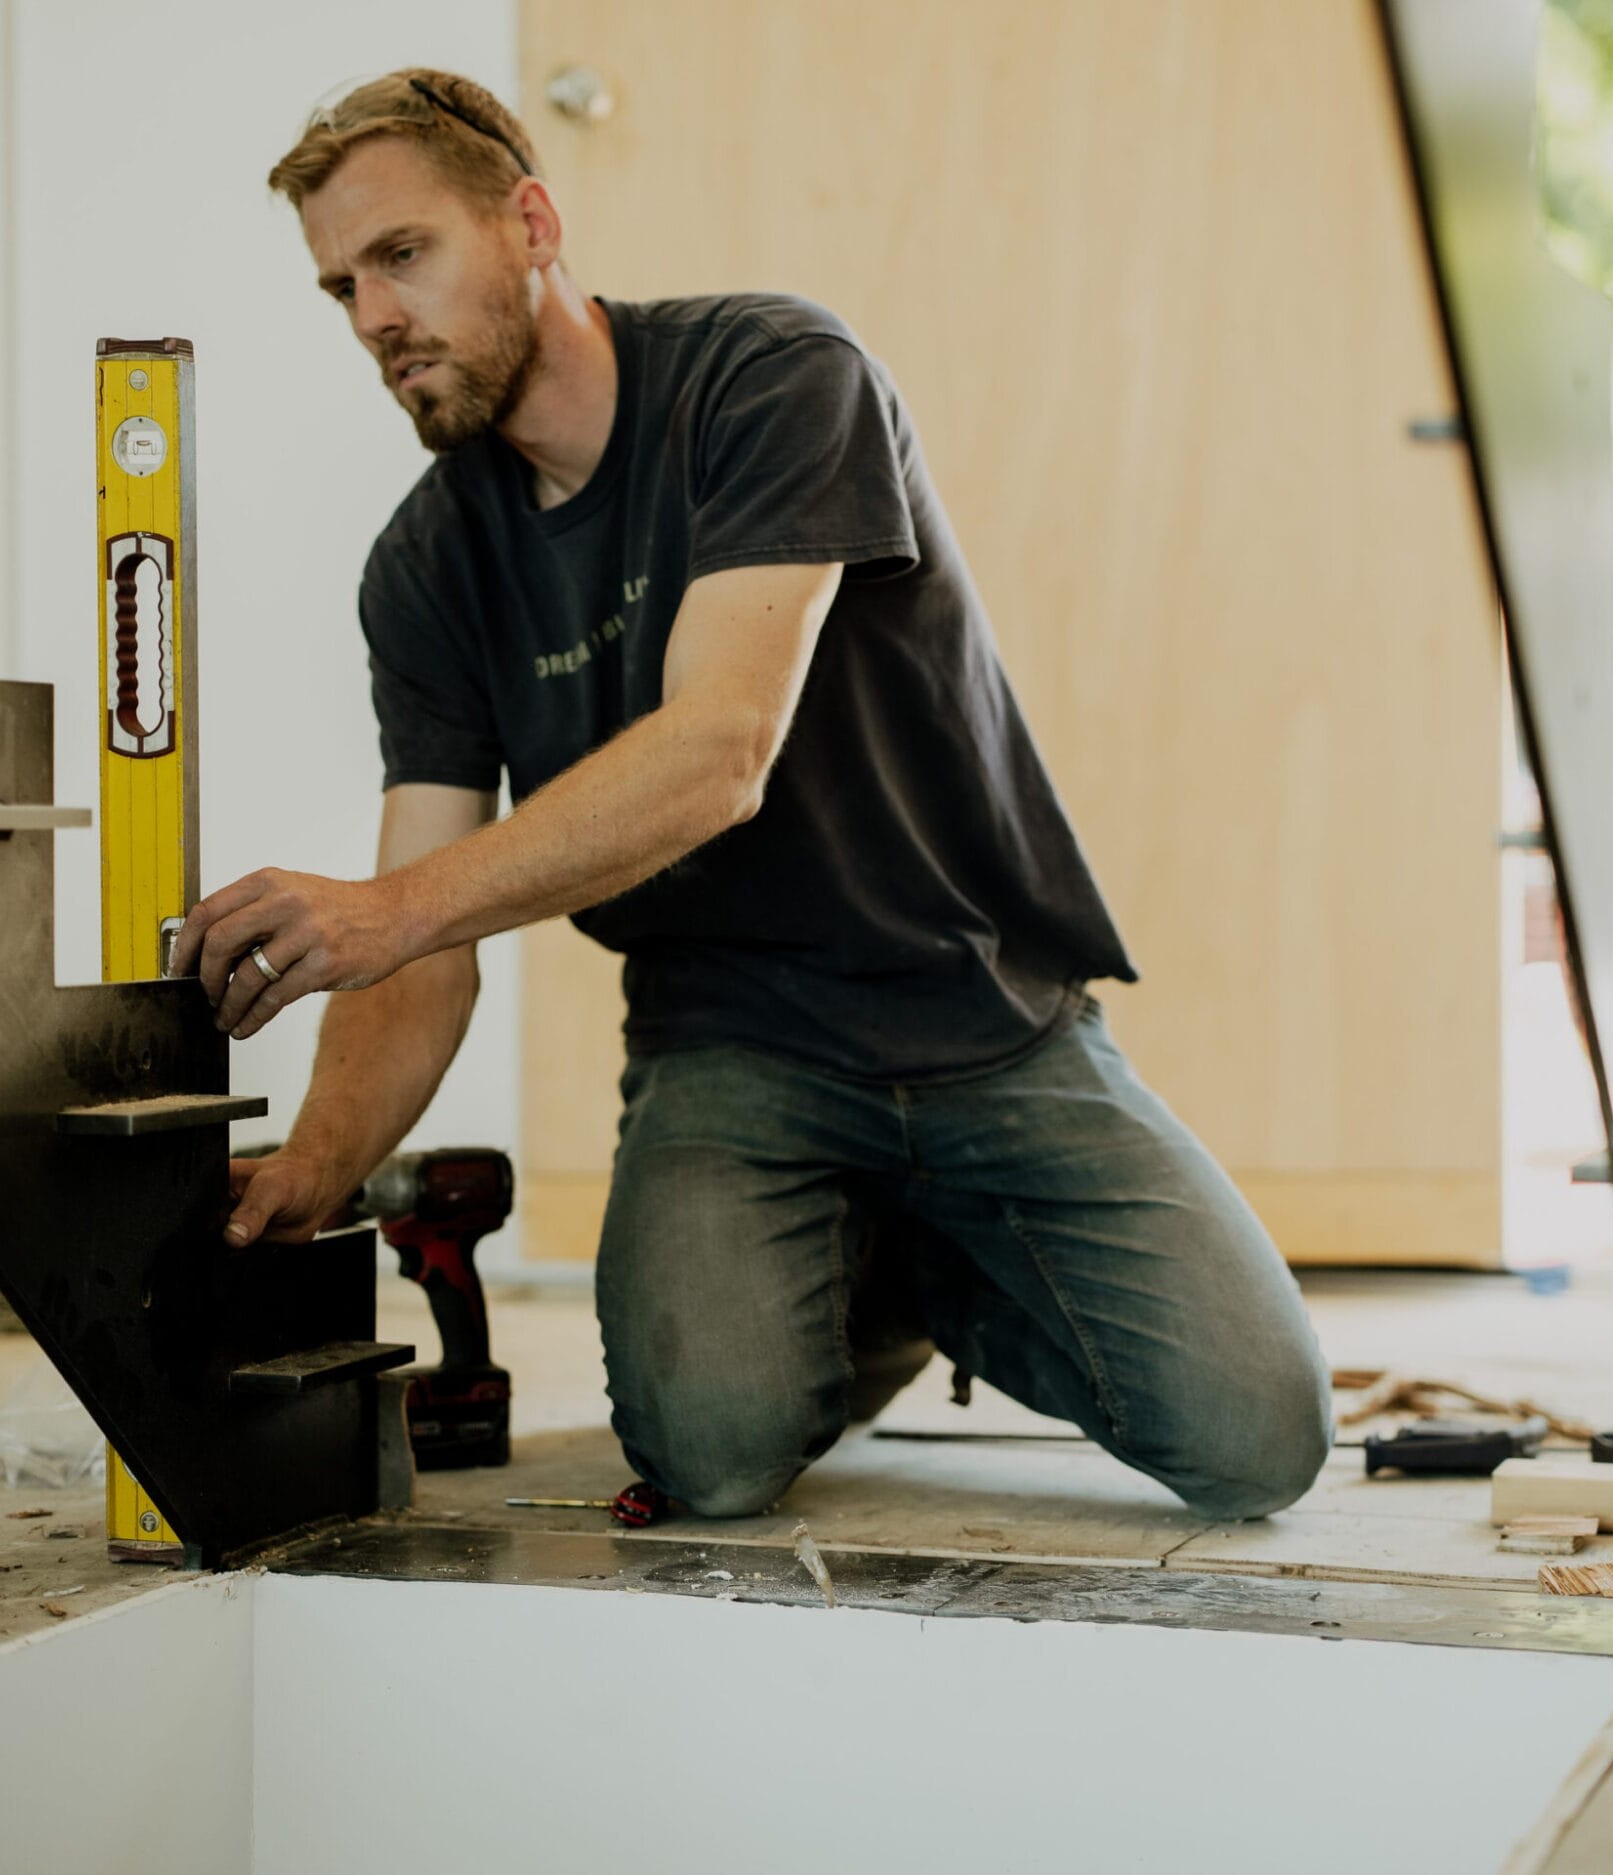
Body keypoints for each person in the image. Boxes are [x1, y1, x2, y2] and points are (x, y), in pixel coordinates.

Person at [171, 69, 1332, 1521]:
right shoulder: (427, 568)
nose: (374, 319)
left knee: (1260, 1440)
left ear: (531, 221)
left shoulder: (771, 377)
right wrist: (321, 1165)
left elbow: (719, 753)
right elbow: (419, 952)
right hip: (732, 1055)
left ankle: (924, 1271)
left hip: (981, 1021)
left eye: (403, 256)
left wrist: (381, 911)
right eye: (341, 286)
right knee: (711, 1455)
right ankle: (847, 1268)